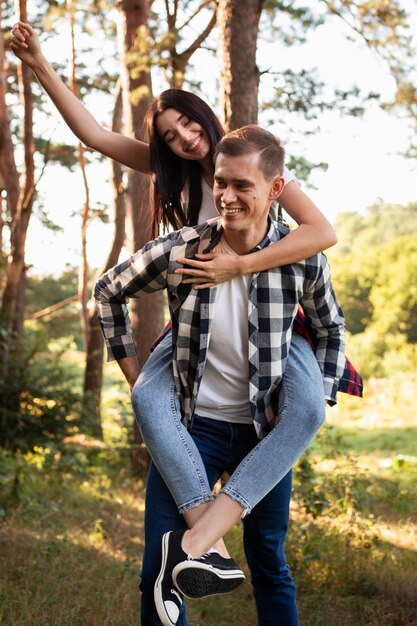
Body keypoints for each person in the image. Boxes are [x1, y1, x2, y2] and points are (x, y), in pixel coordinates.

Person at [10, 24, 362, 626]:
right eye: (172, 137)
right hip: (198, 322)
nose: (187, 140)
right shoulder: (179, 199)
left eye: (192, 126)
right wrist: (40, 63)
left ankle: (198, 545)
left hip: (277, 316)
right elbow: (93, 134)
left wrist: (239, 265)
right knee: (150, 393)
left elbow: (320, 234)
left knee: (305, 408)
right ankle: (202, 542)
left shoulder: (253, 162)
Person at [94, 126, 347, 626]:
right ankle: (192, 549)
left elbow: (330, 327)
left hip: (265, 433)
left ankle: (193, 546)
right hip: (192, 431)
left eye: (242, 186)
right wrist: (137, 376)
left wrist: (309, 399)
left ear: (276, 190)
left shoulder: (300, 260)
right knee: (154, 575)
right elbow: (108, 293)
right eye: (221, 184)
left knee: (271, 566)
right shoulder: (183, 250)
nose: (227, 197)